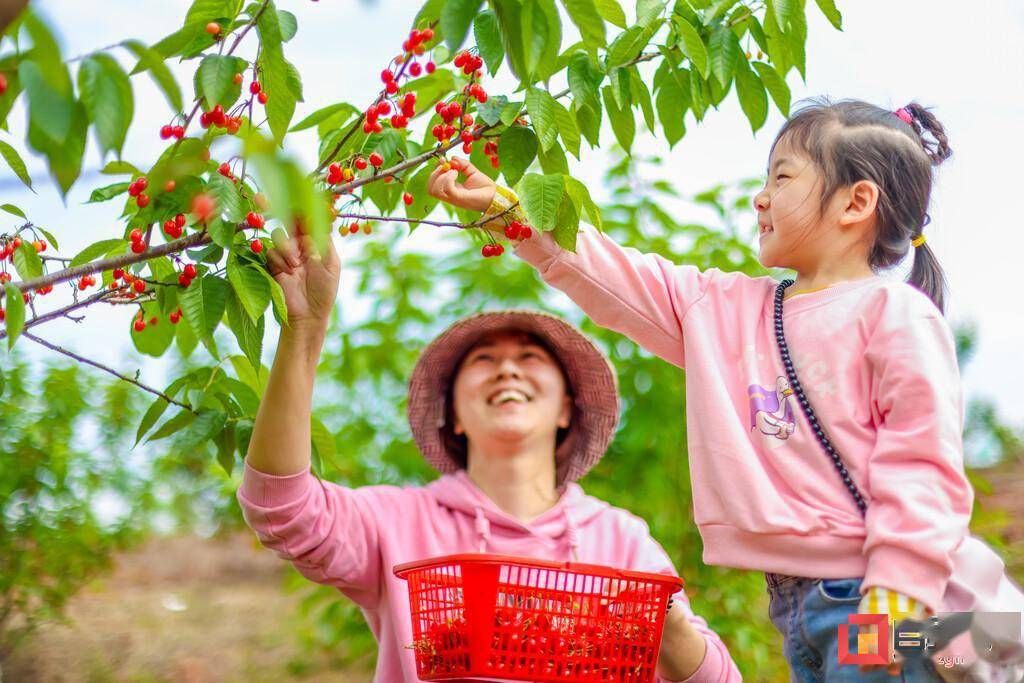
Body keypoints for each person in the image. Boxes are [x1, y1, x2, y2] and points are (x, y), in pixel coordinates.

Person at [428, 97, 982, 681]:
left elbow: (921, 466)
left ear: (856, 202)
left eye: (783, 177)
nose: (759, 197)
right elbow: (614, 273)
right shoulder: (726, 310)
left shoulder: (894, 313)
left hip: (876, 601)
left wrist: (896, 596)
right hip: (798, 608)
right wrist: (508, 213)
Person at [235, 218, 742, 681]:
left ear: (567, 408)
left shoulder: (620, 540)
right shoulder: (397, 521)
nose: (507, 370)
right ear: (453, 412)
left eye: (529, 357)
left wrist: (667, 626)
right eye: (484, 359)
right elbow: (283, 509)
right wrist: (304, 331)